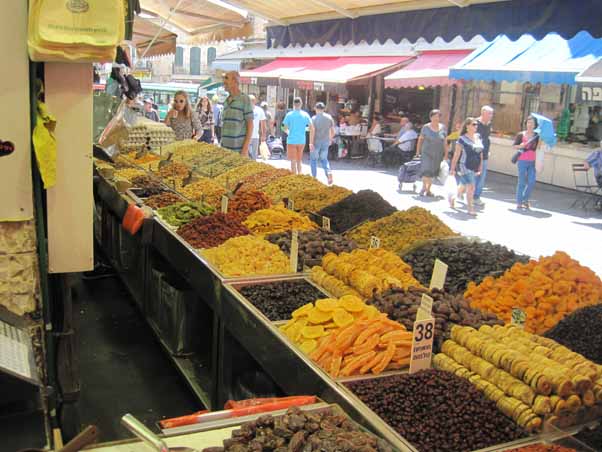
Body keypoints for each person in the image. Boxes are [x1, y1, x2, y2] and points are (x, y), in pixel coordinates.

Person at [450, 118, 483, 216]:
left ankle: (453, 198)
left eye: (476, 124)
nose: (476, 126)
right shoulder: (462, 139)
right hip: (465, 165)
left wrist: (480, 166)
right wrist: (452, 168)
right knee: (471, 186)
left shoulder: (478, 137)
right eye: (473, 124)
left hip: (475, 165)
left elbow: (481, 153)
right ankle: (470, 208)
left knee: (463, 185)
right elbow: (456, 154)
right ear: (467, 126)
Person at [416, 109, 449, 196]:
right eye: (434, 116)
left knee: (433, 172)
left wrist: (446, 154)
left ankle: (428, 190)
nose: (436, 118)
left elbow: (445, 142)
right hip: (426, 152)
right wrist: (417, 151)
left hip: (438, 154)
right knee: (426, 170)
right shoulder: (425, 127)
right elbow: (420, 139)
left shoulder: (443, 128)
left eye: (438, 117)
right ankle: (424, 187)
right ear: (430, 117)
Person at [221, 71, 253, 156]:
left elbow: (250, 125)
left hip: (238, 151)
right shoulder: (226, 101)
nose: (224, 81)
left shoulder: (245, 99)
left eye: (226, 78)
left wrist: (245, 149)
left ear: (235, 81)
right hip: (225, 150)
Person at [513, 115, 540, 210]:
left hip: (533, 161)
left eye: (532, 123)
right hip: (522, 161)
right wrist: (521, 146)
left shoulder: (537, 136)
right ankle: (519, 202)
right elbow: (514, 146)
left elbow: (539, 147)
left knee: (531, 181)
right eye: (528, 122)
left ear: (535, 125)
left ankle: (525, 199)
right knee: (521, 182)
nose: (530, 125)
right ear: (526, 123)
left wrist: (542, 140)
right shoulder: (521, 134)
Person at [283, 97, 314, 175]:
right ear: (301, 104)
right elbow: (311, 127)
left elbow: (283, 127)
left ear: (293, 104)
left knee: (293, 161)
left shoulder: (289, 115)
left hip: (291, 140)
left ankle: (294, 177)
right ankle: (300, 175)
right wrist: (305, 130)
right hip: (301, 140)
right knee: (299, 160)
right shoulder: (305, 114)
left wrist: (288, 132)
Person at [311, 102, 335, 184]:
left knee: (313, 159)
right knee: (324, 159)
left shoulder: (314, 118)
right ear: (324, 109)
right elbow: (333, 131)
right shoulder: (329, 117)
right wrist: (330, 139)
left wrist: (311, 143)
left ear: (316, 109)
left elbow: (313, 132)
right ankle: (329, 173)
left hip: (316, 141)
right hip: (325, 141)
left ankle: (314, 178)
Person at [474, 105, 494, 206]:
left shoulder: (489, 124)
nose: (491, 115)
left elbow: (487, 138)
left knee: (482, 176)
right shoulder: (475, 123)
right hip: (475, 154)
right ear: (482, 113)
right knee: (472, 175)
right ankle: (466, 191)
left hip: (485, 154)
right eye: (489, 113)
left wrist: (488, 150)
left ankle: (476, 196)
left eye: (492, 114)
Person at [248, 95, 266, 160]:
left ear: (255, 101)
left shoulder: (259, 110)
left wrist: (263, 135)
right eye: (250, 100)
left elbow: (263, 124)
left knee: (254, 155)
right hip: (246, 136)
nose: (251, 102)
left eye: (253, 100)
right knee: (246, 155)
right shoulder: (244, 109)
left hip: (255, 136)